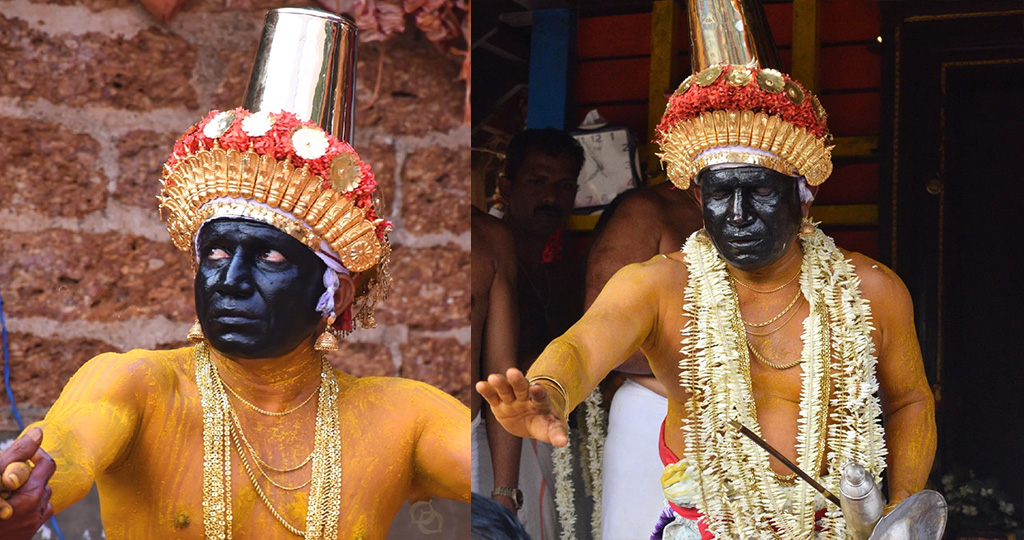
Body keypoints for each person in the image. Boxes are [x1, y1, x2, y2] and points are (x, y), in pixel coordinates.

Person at [0, 9, 469, 539]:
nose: (230, 280)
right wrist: (22, 490)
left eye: (271, 258)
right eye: (218, 253)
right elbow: (65, 452)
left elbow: (495, 464)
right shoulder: (137, 385)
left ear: (336, 293)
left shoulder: (401, 419)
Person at [478, 2, 936, 538]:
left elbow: (909, 401)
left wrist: (899, 513)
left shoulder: (870, 290)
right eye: (719, 194)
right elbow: (583, 346)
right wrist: (549, 391)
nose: (738, 214)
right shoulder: (661, 284)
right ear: (698, 197)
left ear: (803, 196)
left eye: (760, 191)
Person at [584, 182, 702, 539]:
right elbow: (603, 335)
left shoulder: (776, 209)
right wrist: (722, 372)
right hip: (656, 412)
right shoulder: (648, 210)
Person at [491, 128, 586, 540]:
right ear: (505, 187)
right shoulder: (486, 255)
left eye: (564, 185)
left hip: (548, 436)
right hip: (493, 441)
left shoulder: (559, 274)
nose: (552, 196)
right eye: (538, 181)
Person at [471, 206, 523, 513]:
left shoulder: (490, 238)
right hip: (375, 440)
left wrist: (505, 495)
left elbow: (502, 373)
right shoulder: (359, 225)